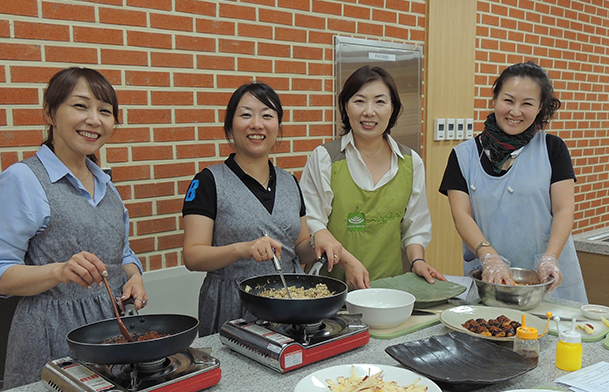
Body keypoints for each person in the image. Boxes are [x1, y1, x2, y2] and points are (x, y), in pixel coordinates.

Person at [0, 67, 147, 389]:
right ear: (50, 113)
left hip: (113, 329)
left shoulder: (104, 181)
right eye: (81, 106)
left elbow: (121, 252)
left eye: (105, 111)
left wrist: (134, 276)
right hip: (53, 333)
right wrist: (59, 271)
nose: (94, 120)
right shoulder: (23, 179)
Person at [439, 61, 588, 302]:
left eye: (527, 103)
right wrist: (490, 258)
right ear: (495, 100)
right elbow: (462, 215)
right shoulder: (463, 155)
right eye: (508, 100)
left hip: (548, 283)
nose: (515, 112)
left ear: (540, 108)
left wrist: (550, 257)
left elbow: (563, 209)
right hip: (491, 280)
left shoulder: (553, 149)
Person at [182, 82, 316, 336]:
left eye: (267, 115)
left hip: (289, 301)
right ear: (230, 126)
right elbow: (192, 256)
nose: (257, 124)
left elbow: (300, 248)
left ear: (278, 127)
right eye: (246, 114)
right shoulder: (208, 181)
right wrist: (241, 249)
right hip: (233, 305)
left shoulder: (289, 181)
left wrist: (319, 243)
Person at [300, 65, 445, 289]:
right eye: (359, 101)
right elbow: (313, 223)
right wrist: (347, 262)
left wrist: (418, 261)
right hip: (329, 291)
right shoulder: (325, 158)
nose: (369, 111)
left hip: (389, 288)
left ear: (392, 109)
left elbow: (415, 226)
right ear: (346, 107)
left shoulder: (410, 161)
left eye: (380, 101)